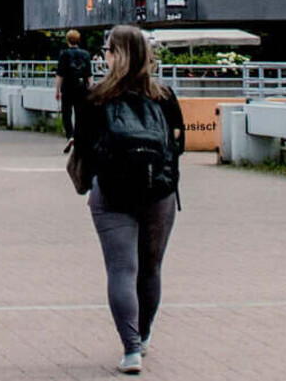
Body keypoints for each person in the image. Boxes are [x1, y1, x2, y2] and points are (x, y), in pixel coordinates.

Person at [73, 25, 184, 375]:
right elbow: (177, 145)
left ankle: (130, 349)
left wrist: (91, 180)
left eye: (107, 49)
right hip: (159, 192)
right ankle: (145, 334)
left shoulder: (94, 97)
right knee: (150, 268)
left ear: (114, 54)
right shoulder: (164, 96)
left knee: (121, 269)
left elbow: (84, 146)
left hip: (111, 193)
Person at [56, 29, 94, 139]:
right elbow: (89, 74)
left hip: (67, 87)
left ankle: (70, 135)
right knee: (80, 113)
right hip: (81, 87)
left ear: (68, 40)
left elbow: (60, 74)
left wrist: (57, 90)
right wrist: (91, 88)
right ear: (78, 40)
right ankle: (78, 135)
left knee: (66, 113)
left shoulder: (64, 54)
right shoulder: (85, 54)